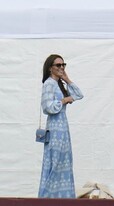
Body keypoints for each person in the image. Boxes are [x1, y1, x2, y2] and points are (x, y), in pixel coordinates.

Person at [38, 54, 83, 198]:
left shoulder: (59, 84)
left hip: (63, 127)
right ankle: (48, 197)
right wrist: (63, 101)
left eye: (63, 65)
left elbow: (79, 94)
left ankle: (64, 196)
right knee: (54, 163)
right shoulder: (48, 84)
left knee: (64, 162)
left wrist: (67, 79)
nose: (61, 67)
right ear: (50, 68)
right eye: (58, 65)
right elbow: (47, 107)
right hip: (55, 127)